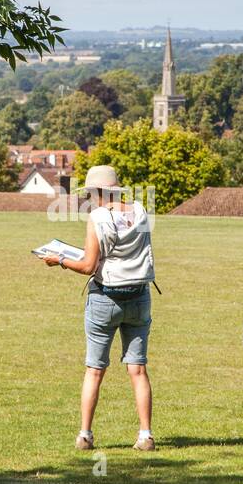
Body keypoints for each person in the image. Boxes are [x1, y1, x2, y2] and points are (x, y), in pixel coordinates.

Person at [42, 165, 156, 451]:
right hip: (139, 297)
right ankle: (145, 435)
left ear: (96, 192)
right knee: (138, 370)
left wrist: (59, 260)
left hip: (106, 299)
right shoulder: (141, 211)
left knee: (95, 369)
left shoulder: (98, 217)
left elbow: (89, 266)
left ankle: (85, 435)